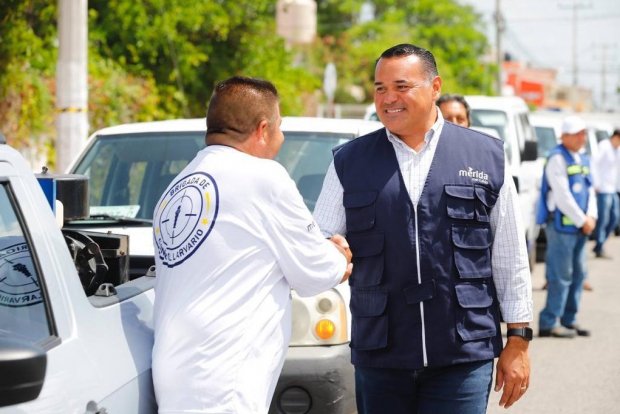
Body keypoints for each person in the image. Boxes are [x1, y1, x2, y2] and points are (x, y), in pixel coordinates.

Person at [314, 44, 532, 413]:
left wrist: (518, 341)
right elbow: (320, 240)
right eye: (380, 88)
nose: (389, 98)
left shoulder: (486, 157)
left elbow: (510, 258)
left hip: (462, 355)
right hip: (381, 354)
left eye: (402, 86)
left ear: (435, 88)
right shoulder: (350, 162)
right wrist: (329, 252)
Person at [151, 76, 353, 413]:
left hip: (178, 370)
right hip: (225, 379)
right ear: (262, 129)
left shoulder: (182, 182)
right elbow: (315, 273)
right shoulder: (263, 177)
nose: (282, 137)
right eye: (280, 126)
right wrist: (336, 252)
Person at [536, 115, 597, 339]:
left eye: (584, 133)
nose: (583, 138)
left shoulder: (582, 158)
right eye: (579, 134)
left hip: (581, 228)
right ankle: (549, 321)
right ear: (566, 136)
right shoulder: (557, 158)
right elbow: (562, 196)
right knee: (561, 275)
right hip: (562, 228)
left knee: (579, 274)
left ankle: (569, 319)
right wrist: (584, 221)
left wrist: (591, 216)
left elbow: (590, 190)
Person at [590, 129, 620, 258]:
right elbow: (593, 163)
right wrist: (596, 183)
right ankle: (599, 246)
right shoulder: (604, 146)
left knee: (614, 218)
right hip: (602, 190)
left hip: (613, 189)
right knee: (603, 220)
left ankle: (599, 244)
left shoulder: (617, 150)